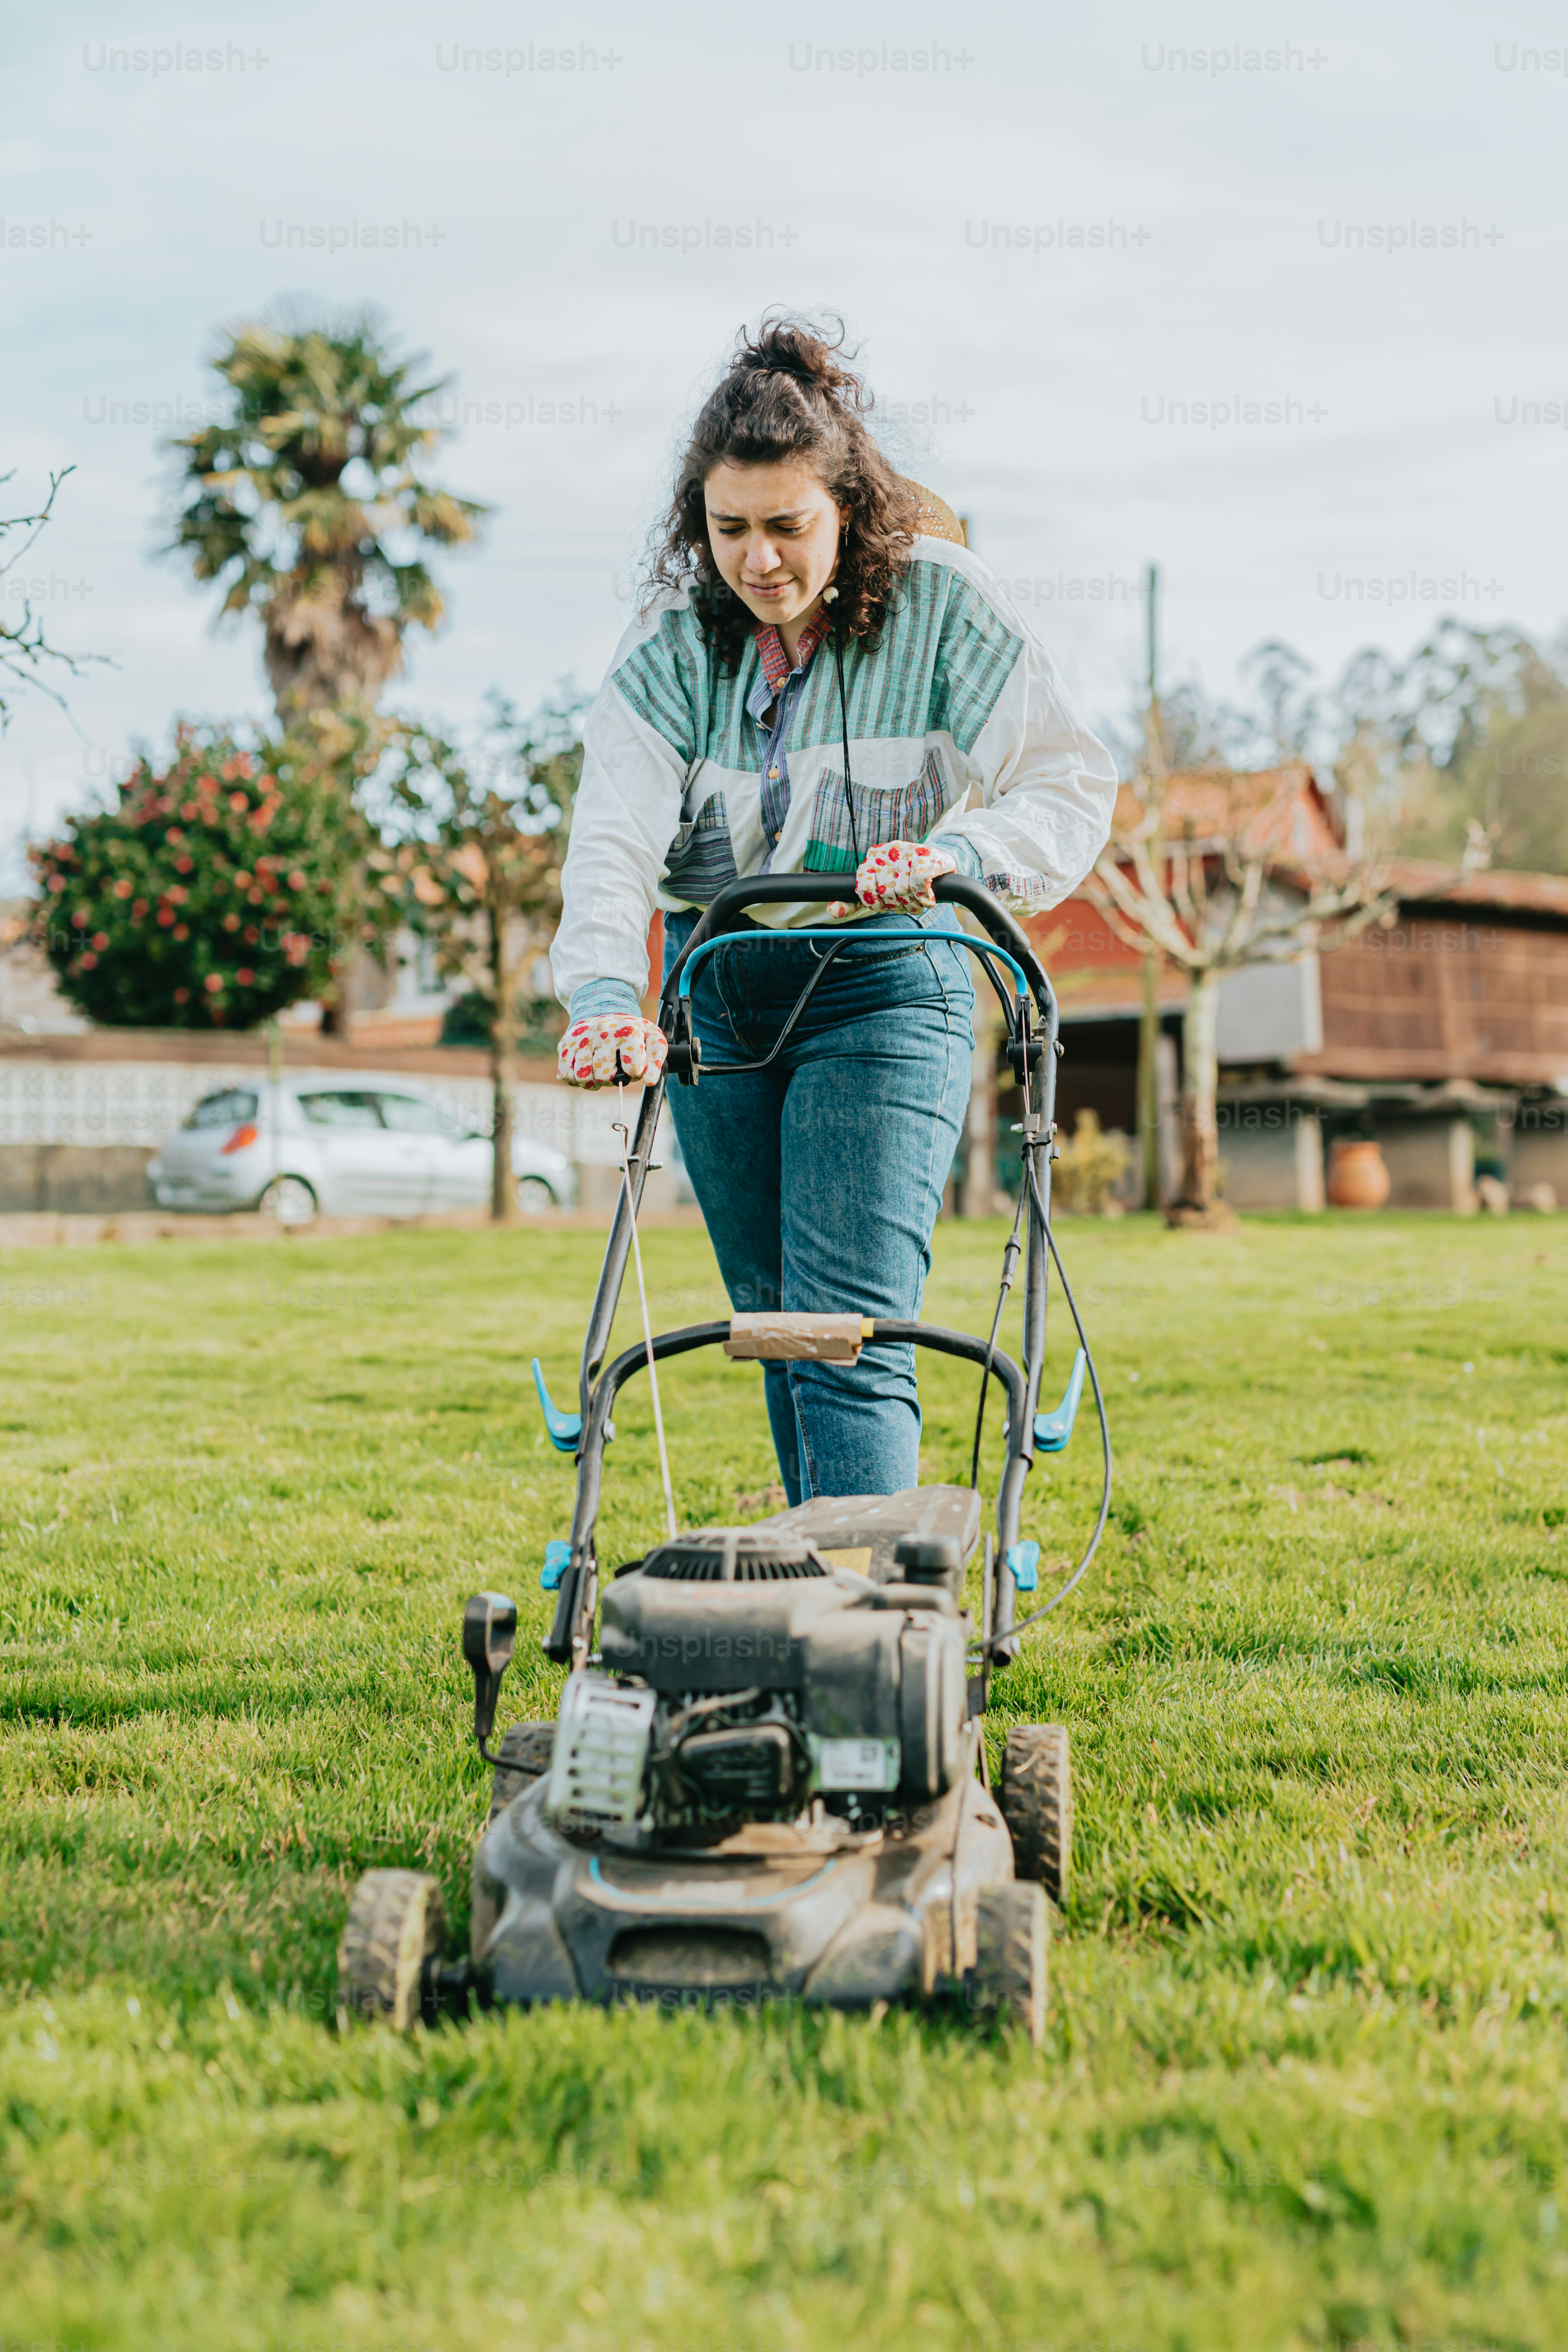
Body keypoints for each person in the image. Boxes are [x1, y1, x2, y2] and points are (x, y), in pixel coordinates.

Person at [550, 317, 1115, 1507]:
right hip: (720, 993)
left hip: (883, 977)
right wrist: (603, 995)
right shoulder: (671, 642)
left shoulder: (940, 605)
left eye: (788, 526)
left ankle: (861, 1606)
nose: (759, 561)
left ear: (846, 509)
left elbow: (1068, 781)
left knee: (846, 1330)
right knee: (772, 1325)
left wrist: (957, 854)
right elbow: (611, 840)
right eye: (730, 530)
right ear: (697, 523)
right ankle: (816, 1578)